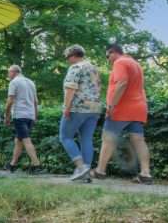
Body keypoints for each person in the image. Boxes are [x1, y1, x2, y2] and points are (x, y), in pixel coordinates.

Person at [91, 44, 153, 184]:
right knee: (138, 140)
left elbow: (122, 83)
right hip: (138, 108)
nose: (108, 60)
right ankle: (145, 174)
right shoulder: (135, 64)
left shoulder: (120, 62)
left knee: (108, 138)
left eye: (108, 56)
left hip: (122, 108)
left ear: (113, 53)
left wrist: (112, 105)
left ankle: (100, 171)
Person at [60, 45, 101, 181]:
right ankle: (87, 174)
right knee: (86, 139)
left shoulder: (76, 67)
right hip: (95, 108)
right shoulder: (93, 68)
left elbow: (70, 89)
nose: (67, 61)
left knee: (65, 137)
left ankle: (81, 167)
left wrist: (66, 107)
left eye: (67, 58)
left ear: (72, 55)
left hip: (78, 107)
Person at [4, 65, 43, 173]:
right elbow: (35, 101)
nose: (8, 74)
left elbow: (10, 101)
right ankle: (12, 164)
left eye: (9, 72)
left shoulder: (14, 82)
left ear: (14, 72)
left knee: (26, 139)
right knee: (19, 140)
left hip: (19, 115)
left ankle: (37, 165)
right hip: (30, 115)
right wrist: (35, 116)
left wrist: (6, 115)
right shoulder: (31, 82)